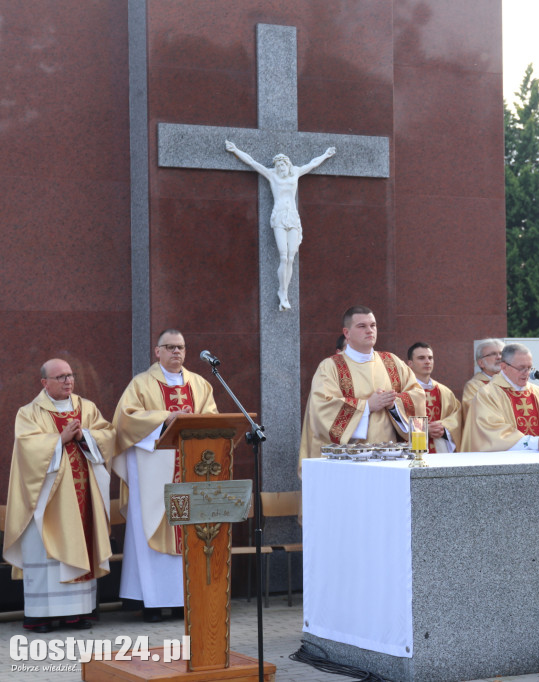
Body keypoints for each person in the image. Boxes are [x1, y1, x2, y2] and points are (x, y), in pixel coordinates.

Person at [111, 330, 218, 622]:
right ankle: (153, 602)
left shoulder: (200, 384)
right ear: (157, 352)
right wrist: (165, 418)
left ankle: (185, 600)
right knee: (151, 530)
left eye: (181, 347)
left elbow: (212, 418)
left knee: (189, 532)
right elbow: (124, 421)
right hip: (153, 474)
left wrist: (191, 420)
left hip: (190, 470)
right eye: (169, 347)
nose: (176, 353)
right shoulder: (141, 384)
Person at [4, 359, 117, 633]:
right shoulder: (29, 412)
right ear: (44, 383)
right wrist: (60, 439)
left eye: (70, 375)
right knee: (46, 558)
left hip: (82, 497)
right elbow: (27, 450)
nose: (68, 381)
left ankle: (77, 614)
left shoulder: (86, 408)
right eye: (60, 377)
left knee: (81, 546)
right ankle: (41, 617)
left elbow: (108, 435)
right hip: (46, 502)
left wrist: (85, 437)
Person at [299, 306, 425, 462]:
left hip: (392, 459)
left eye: (373, 325)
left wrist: (394, 405)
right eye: (362, 326)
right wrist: (367, 406)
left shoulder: (392, 362)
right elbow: (321, 408)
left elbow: (418, 396)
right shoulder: (331, 367)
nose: (369, 330)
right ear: (347, 333)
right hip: (349, 461)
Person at [224, 140, 336, 310]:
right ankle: (282, 293)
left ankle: (284, 291)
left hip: (293, 217)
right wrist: (236, 150)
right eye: (278, 165)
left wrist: (326, 155)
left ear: (287, 164)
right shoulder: (272, 175)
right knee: (283, 255)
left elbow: (312, 164)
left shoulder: (296, 173)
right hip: (278, 216)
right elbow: (252, 162)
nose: (280, 168)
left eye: (282, 165)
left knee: (291, 256)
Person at [462, 343, 539, 452]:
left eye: (529, 367)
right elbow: (491, 431)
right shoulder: (487, 394)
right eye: (521, 368)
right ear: (504, 367)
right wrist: (532, 443)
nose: (526, 373)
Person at [406, 342, 461, 453]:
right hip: (413, 451)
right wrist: (423, 430)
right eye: (421, 358)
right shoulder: (404, 391)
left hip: (440, 449)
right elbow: (395, 422)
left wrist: (444, 428)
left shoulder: (444, 392)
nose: (427, 362)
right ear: (410, 364)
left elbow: (457, 417)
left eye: (430, 358)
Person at [462, 338, 504, 418]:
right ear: (481, 363)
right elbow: (474, 413)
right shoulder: (473, 386)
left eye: (502, 354)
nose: (499, 357)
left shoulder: (513, 381)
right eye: (493, 354)